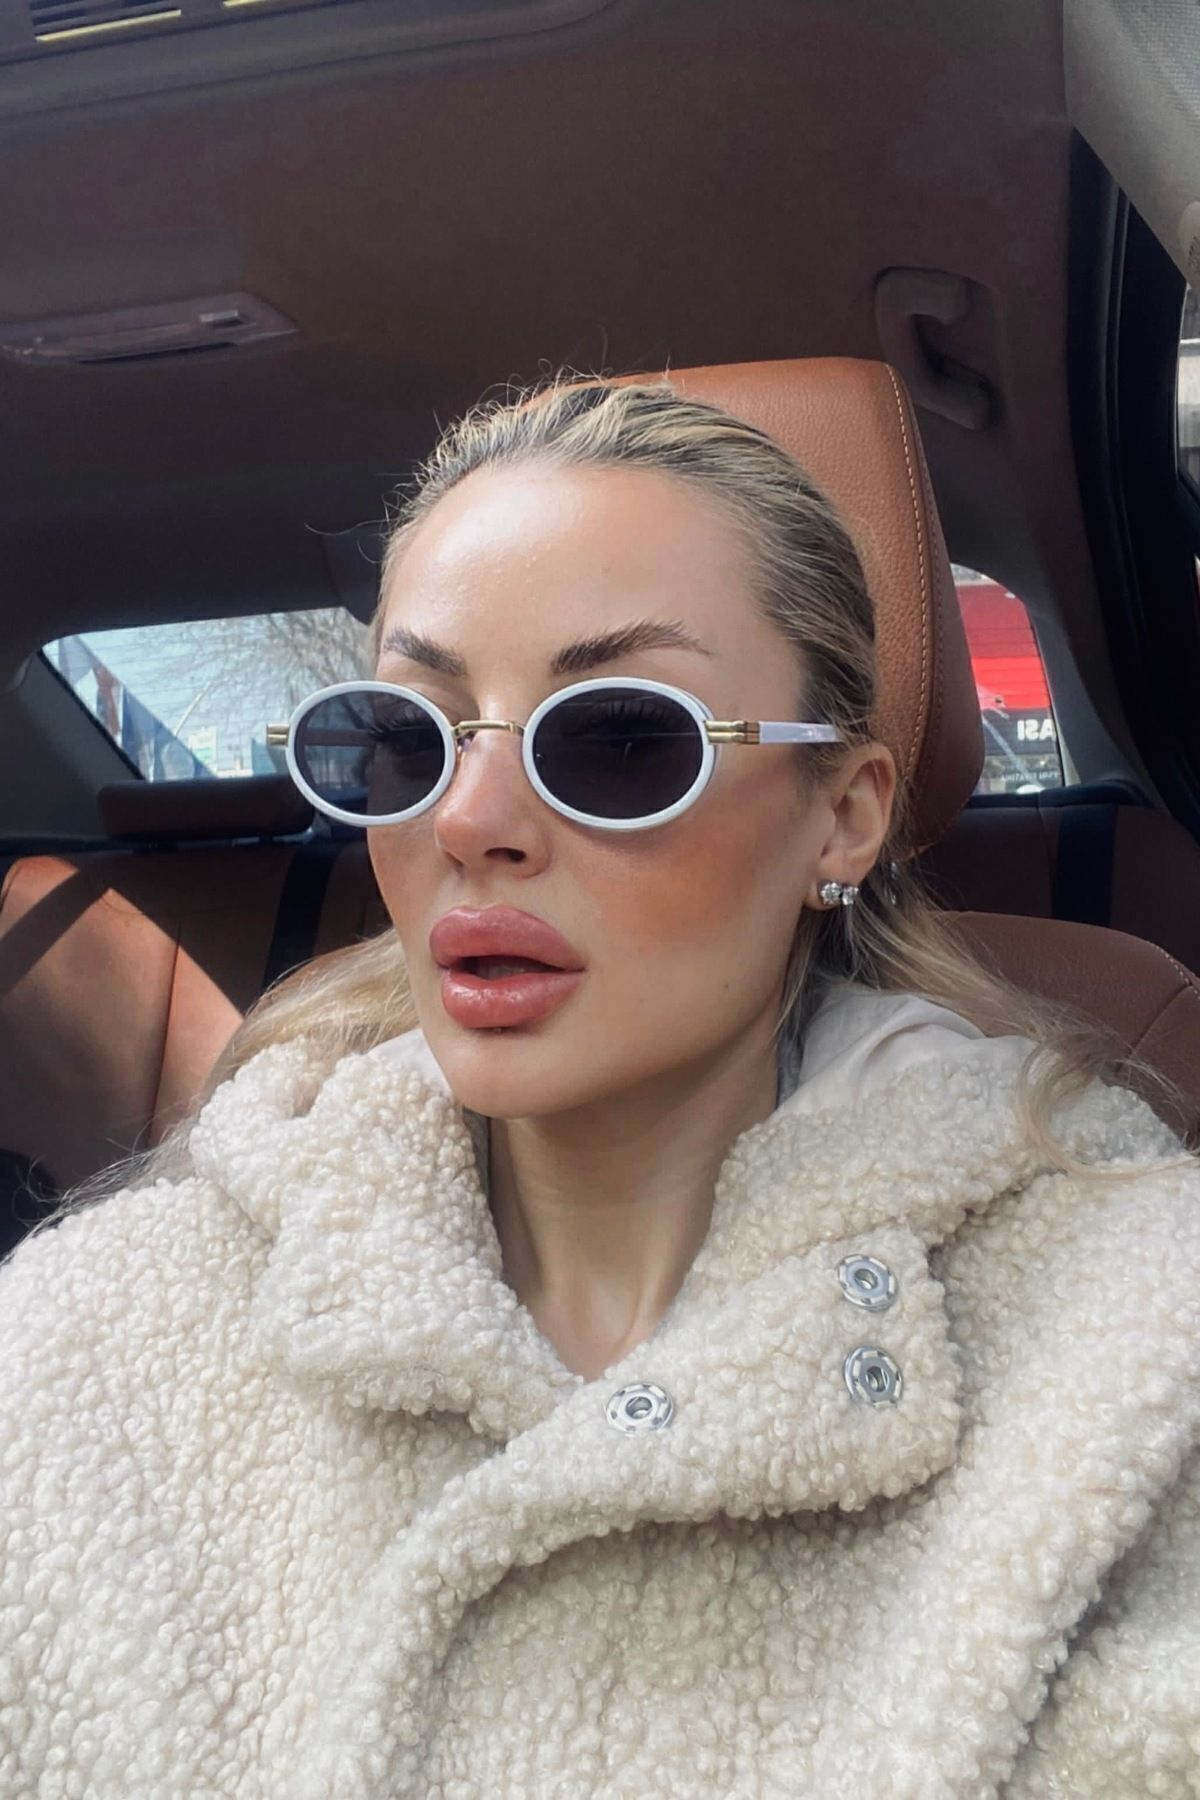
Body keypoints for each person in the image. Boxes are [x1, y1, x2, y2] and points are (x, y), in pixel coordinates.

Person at [1, 377, 1198, 1800]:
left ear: (843, 814)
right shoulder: (91, 1337)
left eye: (620, 739)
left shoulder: (1137, 1340)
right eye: (406, 739)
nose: (470, 821)